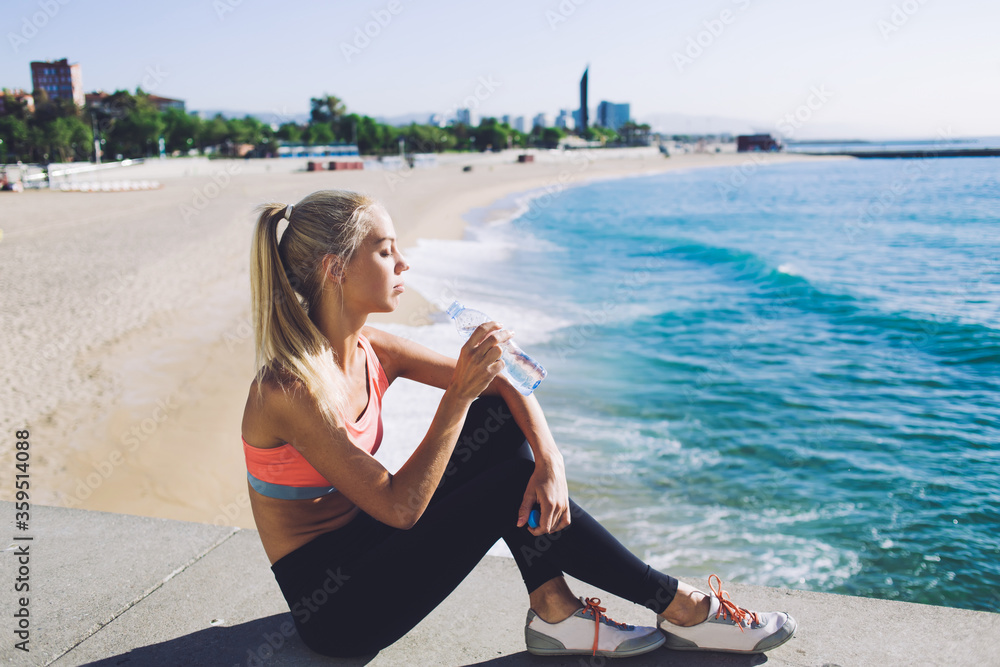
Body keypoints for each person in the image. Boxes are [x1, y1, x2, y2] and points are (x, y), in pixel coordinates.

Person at [241, 189, 797, 659]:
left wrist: (551, 461)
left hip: (371, 543)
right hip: (337, 609)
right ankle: (683, 607)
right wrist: (458, 393)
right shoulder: (287, 389)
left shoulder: (371, 347)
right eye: (385, 252)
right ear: (334, 268)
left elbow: (506, 385)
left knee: (499, 421)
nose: (404, 264)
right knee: (501, 472)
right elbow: (399, 508)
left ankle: (556, 612)